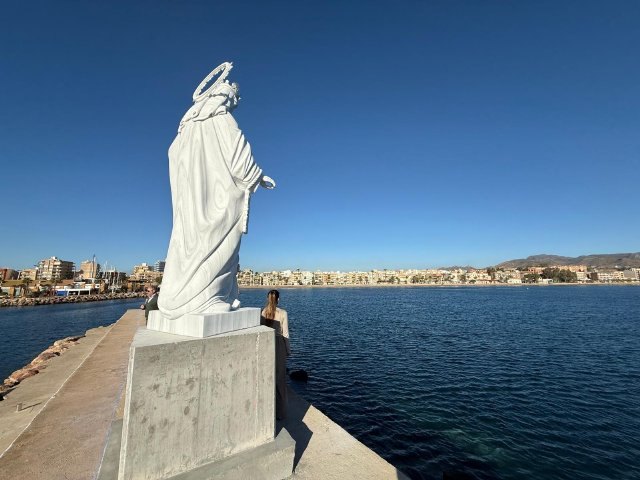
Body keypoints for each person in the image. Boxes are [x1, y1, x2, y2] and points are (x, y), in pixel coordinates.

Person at [158, 62, 275, 320]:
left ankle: (197, 297)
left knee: (189, 244)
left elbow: (173, 158)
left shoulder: (185, 131)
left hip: (190, 200)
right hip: (219, 197)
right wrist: (258, 177)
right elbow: (238, 154)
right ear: (222, 98)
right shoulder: (222, 120)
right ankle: (208, 299)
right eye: (231, 99)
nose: (232, 104)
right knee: (218, 243)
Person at [260, 290, 290, 420]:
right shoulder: (283, 313)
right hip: (278, 344)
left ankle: (268, 410)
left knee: (268, 377)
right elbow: (285, 334)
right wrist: (288, 350)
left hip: (267, 344)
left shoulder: (263, 312)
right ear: (278, 299)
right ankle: (280, 413)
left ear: (268, 299)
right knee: (280, 379)